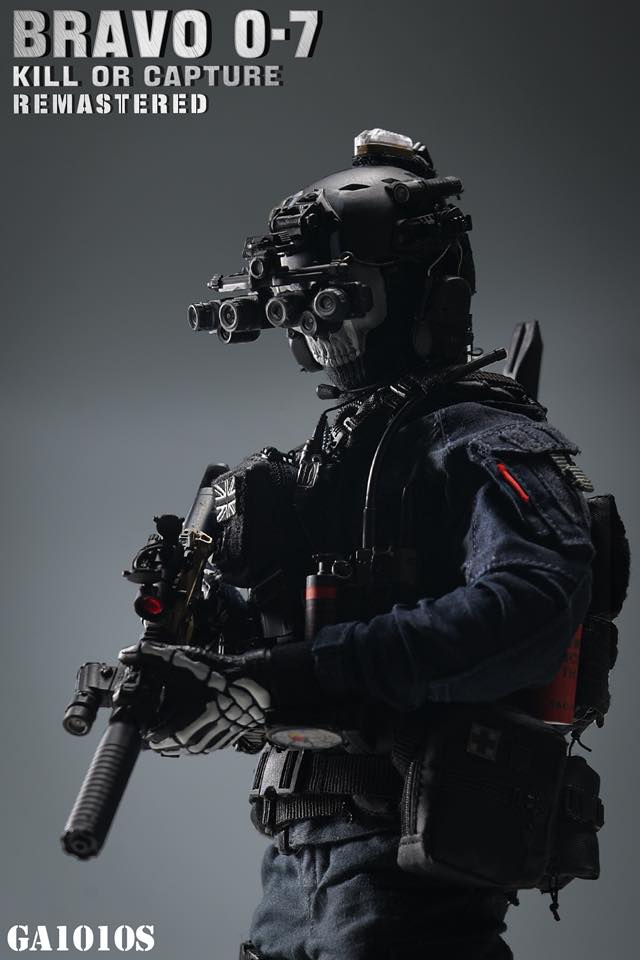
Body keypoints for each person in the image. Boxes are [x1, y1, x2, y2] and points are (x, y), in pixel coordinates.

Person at [123, 130, 595, 959]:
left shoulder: (484, 439)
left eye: (339, 302)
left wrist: (289, 677)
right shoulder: (349, 457)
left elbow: (528, 609)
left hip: (413, 857)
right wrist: (207, 653)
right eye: (296, 304)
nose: (315, 334)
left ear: (421, 292)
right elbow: (298, 641)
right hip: (297, 857)